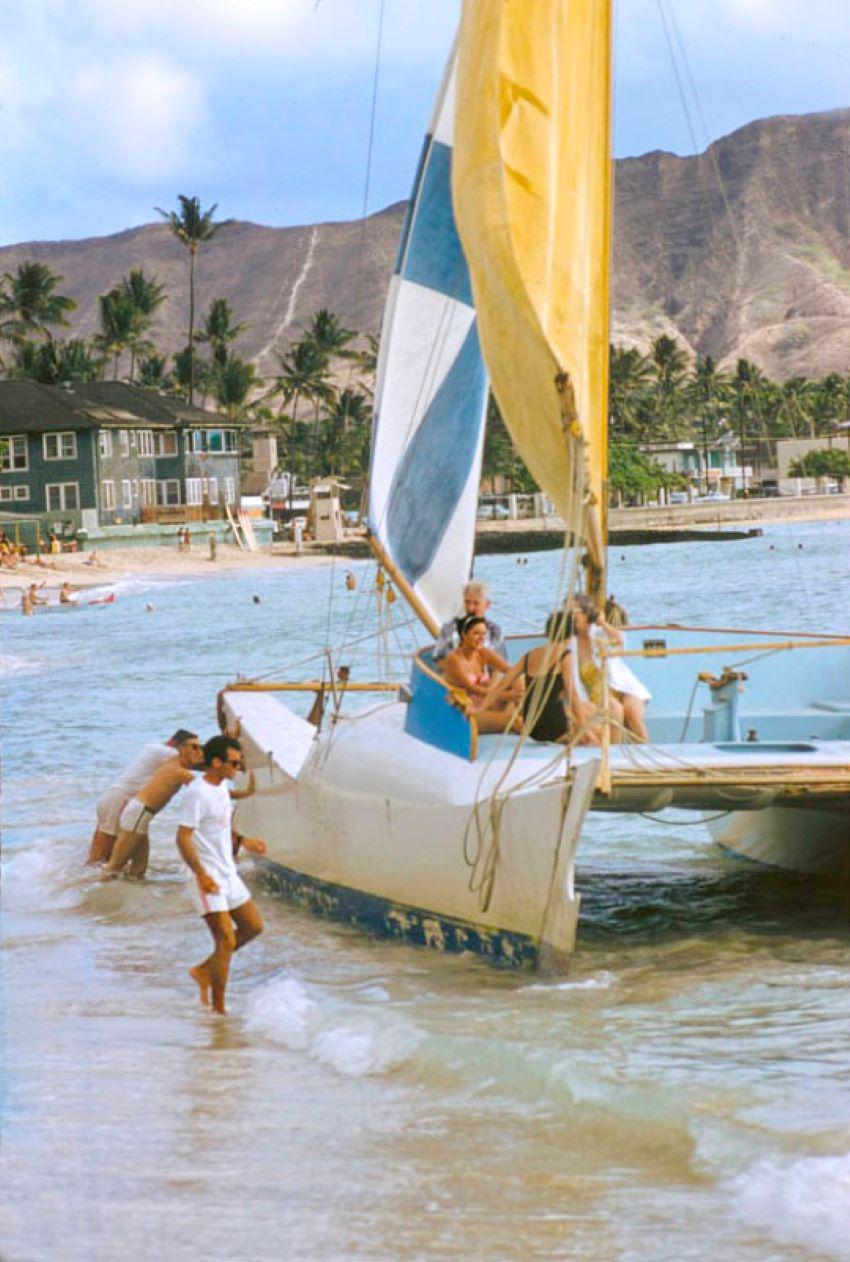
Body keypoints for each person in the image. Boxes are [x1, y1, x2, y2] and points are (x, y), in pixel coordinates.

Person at [177, 735, 266, 1015]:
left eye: (239, 764)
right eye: (234, 763)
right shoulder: (197, 792)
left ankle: (204, 971)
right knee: (225, 940)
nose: (237, 769)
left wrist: (245, 842)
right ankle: (219, 1011)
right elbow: (182, 838)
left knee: (253, 927)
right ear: (215, 763)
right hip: (206, 875)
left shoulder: (221, 789)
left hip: (228, 872)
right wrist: (201, 874)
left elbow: (218, 828)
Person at [87, 729, 200, 865]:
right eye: (193, 747)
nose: (196, 751)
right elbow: (198, 763)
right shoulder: (167, 752)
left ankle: (91, 880)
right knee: (99, 857)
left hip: (113, 798)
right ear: (177, 744)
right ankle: (86, 883)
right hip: (119, 801)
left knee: (104, 855)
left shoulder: (154, 749)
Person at [442, 614, 522, 734]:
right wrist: (505, 696)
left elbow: (511, 670)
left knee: (517, 679)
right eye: (476, 633)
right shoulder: (453, 659)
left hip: (487, 703)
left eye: (484, 634)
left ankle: (527, 713)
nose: (481, 638)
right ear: (464, 635)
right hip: (467, 711)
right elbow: (473, 689)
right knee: (515, 721)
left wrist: (518, 684)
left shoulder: (483, 652)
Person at [434, 580, 506, 662]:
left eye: (476, 603)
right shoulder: (449, 628)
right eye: (467, 602)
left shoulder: (495, 630)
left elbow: (500, 660)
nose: (470, 608)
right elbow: (439, 656)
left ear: (487, 605)